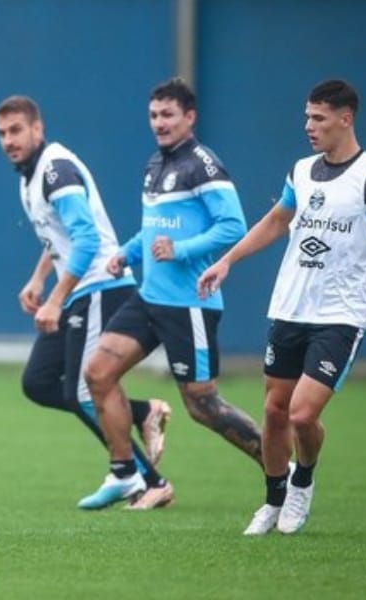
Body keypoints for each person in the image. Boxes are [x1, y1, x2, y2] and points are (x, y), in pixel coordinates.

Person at [198, 80, 366, 535]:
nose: (309, 126)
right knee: (272, 411)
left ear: (346, 119)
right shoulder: (302, 170)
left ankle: (301, 480)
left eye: (319, 118)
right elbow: (276, 222)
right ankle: (272, 499)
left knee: (302, 414)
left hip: (341, 316)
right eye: (307, 117)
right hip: (290, 307)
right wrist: (227, 260)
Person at [81, 78, 264, 507]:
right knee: (98, 374)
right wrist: (127, 254)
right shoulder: (155, 165)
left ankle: (282, 471)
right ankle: (133, 477)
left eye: (168, 115)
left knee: (203, 407)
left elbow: (233, 226)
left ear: (190, 117)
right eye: (154, 115)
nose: (159, 123)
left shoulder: (203, 164)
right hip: (150, 297)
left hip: (189, 305)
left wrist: (180, 250)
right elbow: (154, 229)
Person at [0, 95, 174, 510]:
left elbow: (88, 238)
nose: (8, 140)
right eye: (2, 133)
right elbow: (58, 234)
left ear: (38, 128)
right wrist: (39, 278)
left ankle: (146, 480)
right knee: (38, 383)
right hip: (78, 292)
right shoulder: (30, 174)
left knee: (83, 391)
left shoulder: (56, 170)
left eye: (16, 130)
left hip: (100, 289)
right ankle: (142, 413)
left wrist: (54, 298)